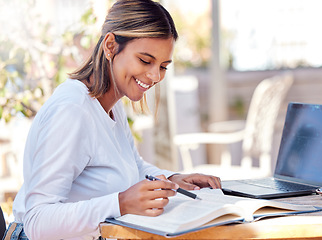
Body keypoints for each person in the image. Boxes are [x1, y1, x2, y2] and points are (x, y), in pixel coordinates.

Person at [3, 0, 221, 239]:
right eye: (145, 61)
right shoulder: (73, 110)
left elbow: (133, 167)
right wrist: (120, 203)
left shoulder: (111, 106)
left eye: (163, 66)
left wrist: (172, 180)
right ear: (110, 45)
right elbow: (37, 221)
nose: (155, 76)